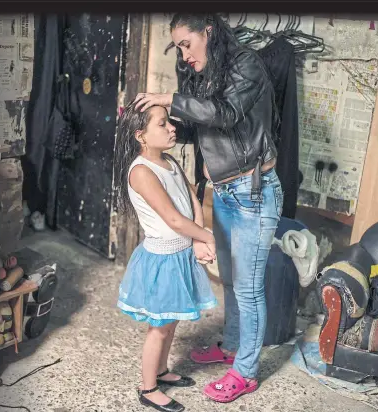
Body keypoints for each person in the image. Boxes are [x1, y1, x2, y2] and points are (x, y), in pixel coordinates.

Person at [133, 13, 283, 403]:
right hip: (226, 191)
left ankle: (246, 373)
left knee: (249, 290)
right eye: (178, 48)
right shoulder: (203, 73)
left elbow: (225, 114)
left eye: (187, 44)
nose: (184, 55)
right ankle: (233, 346)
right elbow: (201, 128)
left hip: (254, 191)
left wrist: (168, 99)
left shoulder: (246, 64)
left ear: (208, 33)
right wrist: (161, 127)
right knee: (232, 281)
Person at [113, 101, 219, 412]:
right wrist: (208, 237)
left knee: (171, 322)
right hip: (161, 260)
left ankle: (161, 371)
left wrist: (198, 238)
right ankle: (148, 388)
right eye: (162, 124)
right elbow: (173, 219)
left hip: (180, 253)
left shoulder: (169, 161)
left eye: (169, 122)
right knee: (159, 327)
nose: (172, 128)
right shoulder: (141, 172)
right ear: (140, 135)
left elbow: (191, 201)